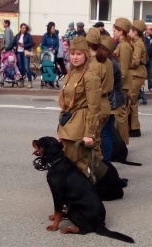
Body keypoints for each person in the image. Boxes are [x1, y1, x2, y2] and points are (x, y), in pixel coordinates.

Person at [57, 36, 102, 177]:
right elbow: (65, 103)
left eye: (79, 54)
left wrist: (90, 133)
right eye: (72, 53)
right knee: (68, 161)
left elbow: (94, 107)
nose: (75, 57)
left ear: (86, 55)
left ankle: (83, 192)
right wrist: (60, 128)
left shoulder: (90, 76)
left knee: (78, 163)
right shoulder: (70, 74)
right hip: (68, 122)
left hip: (80, 124)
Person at [86, 28, 114, 160]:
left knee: (94, 143)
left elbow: (90, 89)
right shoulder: (106, 60)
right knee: (99, 139)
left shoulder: (93, 64)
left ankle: (100, 174)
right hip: (105, 102)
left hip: (96, 104)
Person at [100, 35, 125, 161]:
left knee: (105, 132)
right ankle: (108, 158)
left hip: (111, 100)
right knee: (108, 131)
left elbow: (106, 85)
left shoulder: (109, 63)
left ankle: (107, 159)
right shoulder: (111, 61)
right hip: (114, 99)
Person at [113, 18, 133, 143]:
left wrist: (117, 84)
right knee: (119, 116)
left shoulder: (124, 46)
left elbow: (124, 70)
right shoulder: (121, 44)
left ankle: (122, 144)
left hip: (122, 85)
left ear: (121, 31)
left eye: (115, 30)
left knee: (121, 116)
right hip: (122, 84)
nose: (113, 32)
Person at [129, 20, 147, 138]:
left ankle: (135, 128)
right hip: (135, 75)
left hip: (136, 75)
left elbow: (135, 62)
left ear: (135, 32)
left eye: (130, 30)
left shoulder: (138, 44)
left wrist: (123, 63)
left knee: (131, 101)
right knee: (131, 102)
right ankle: (132, 127)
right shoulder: (135, 42)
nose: (129, 32)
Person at [6, 23, 35, 88]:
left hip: (25, 52)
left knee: (26, 67)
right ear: (20, 28)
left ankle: (30, 82)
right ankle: (22, 81)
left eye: (25, 28)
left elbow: (32, 43)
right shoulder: (17, 36)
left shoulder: (28, 35)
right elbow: (12, 44)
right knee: (20, 67)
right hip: (18, 53)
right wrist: (5, 49)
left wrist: (24, 45)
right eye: (23, 28)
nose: (24, 29)